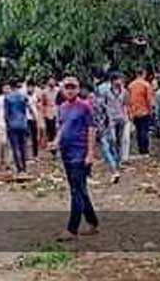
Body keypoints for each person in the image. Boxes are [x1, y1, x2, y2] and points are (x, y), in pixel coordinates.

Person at [51, 76, 98, 241]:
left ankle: (72, 229)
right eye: (67, 87)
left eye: (73, 87)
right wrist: (56, 142)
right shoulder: (62, 107)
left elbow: (92, 129)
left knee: (76, 191)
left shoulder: (84, 106)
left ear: (78, 89)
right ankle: (92, 221)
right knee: (80, 189)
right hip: (66, 152)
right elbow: (63, 127)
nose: (70, 90)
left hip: (80, 153)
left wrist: (90, 153)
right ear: (63, 90)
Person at [91, 73, 121, 183]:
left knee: (106, 149)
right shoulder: (103, 102)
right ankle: (116, 167)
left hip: (102, 127)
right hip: (108, 125)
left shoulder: (92, 103)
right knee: (113, 146)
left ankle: (114, 170)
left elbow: (93, 118)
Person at [127, 67, 156, 156]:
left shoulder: (130, 85)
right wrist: (152, 110)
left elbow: (128, 99)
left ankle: (140, 149)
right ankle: (145, 150)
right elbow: (149, 99)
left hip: (134, 111)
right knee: (144, 131)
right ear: (143, 73)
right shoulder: (146, 85)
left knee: (139, 131)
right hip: (144, 111)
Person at [4, 82, 31, 174]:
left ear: (11, 87)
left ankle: (19, 168)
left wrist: (7, 125)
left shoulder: (7, 98)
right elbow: (25, 110)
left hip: (13, 124)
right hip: (23, 123)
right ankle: (24, 167)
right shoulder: (23, 96)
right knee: (23, 146)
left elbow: (6, 114)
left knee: (15, 147)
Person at [23, 82, 41, 158]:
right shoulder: (24, 97)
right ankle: (26, 155)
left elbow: (38, 107)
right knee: (26, 137)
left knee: (34, 137)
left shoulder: (35, 96)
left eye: (31, 87)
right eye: (28, 87)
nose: (30, 89)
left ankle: (35, 154)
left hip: (34, 119)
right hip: (26, 118)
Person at [39, 78, 59, 146]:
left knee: (55, 129)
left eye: (53, 83)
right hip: (48, 112)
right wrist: (42, 114)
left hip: (56, 112)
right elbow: (43, 104)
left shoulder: (58, 91)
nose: (51, 84)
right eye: (50, 83)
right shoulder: (45, 92)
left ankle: (54, 145)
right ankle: (50, 144)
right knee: (49, 130)